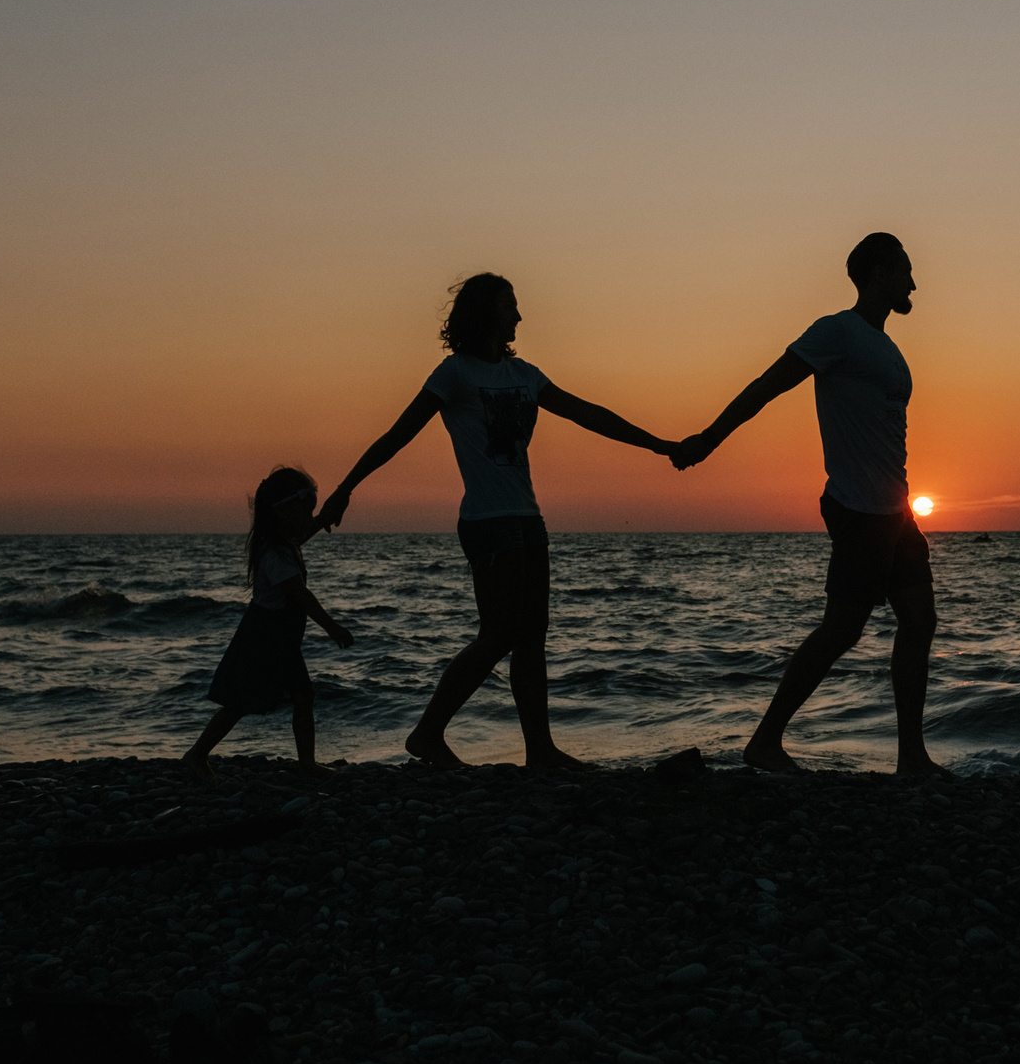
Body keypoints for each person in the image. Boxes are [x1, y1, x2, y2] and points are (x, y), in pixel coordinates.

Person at [316, 272, 675, 770]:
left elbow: (587, 413)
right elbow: (397, 434)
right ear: (486, 313)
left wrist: (659, 445)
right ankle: (426, 734)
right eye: (510, 307)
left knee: (532, 636)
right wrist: (344, 490)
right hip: (487, 520)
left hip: (528, 516)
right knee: (499, 634)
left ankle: (540, 751)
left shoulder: (525, 374)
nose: (520, 317)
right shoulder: (454, 373)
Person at [672, 232, 945, 779]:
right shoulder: (836, 332)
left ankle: (911, 757)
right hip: (857, 508)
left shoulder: (887, 347)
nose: (914, 282)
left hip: (896, 511)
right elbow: (766, 386)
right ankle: (764, 743)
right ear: (878, 272)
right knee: (843, 628)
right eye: (905, 270)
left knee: (919, 618)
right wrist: (707, 439)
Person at [184, 466, 353, 787]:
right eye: (305, 510)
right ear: (281, 512)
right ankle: (197, 753)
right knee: (240, 702)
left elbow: (301, 535)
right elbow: (300, 596)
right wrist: (332, 627)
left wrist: (320, 521)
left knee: (303, 695)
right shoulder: (274, 553)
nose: (308, 517)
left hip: (281, 639)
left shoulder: (282, 544)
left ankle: (307, 762)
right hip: (265, 637)